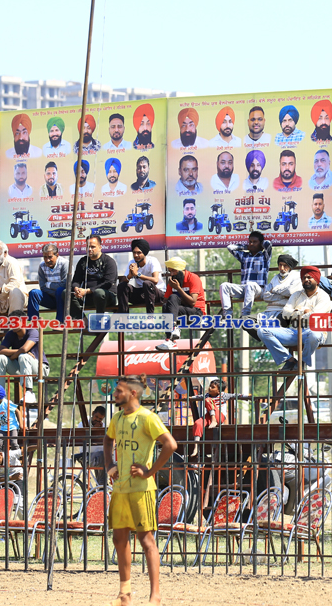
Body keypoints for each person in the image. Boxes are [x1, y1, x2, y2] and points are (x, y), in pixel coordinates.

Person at [104, 376, 178, 606]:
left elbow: (170, 444)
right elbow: (107, 441)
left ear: (133, 393)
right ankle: (124, 594)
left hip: (141, 489)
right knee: (119, 539)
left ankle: (155, 596)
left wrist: (150, 471)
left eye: (119, 391)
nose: (115, 394)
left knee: (146, 540)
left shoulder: (148, 417)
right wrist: (109, 465)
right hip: (120, 489)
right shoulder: (117, 418)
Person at [258, 266, 332, 371]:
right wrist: (303, 312)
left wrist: (296, 314)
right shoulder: (296, 295)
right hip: (295, 332)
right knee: (262, 331)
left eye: (309, 277)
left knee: (314, 334)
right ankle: (289, 360)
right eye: (304, 278)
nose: (306, 280)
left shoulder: (323, 297)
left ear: (316, 279)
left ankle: (303, 362)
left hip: (313, 332)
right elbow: (285, 313)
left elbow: (314, 318)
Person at [0, 311, 47, 402]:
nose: (12, 324)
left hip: (40, 368)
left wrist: (13, 356)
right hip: (21, 368)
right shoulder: (10, 334)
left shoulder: (33, 332)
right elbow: (1, 351)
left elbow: (25, 349)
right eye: (10, 322)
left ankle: (29, 392)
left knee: (23, 356)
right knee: (0, 359)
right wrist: (18, 352)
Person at [156, 258, 207, 351]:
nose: (172, 274)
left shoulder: (193, 278)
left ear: (180, 270)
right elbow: (166, 300)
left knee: (173, 298)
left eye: (174, 271)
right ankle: (170, 339)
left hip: (196, 313)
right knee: (166, 305)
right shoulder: (172, 282)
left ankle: (172, 331)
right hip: (180, 313)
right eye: (170, 271)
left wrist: (178, 289)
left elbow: (192, 302)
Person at [219, 232, 273, 320]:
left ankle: (245, 315)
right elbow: (230, 247)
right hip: (245, 289)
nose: (251, 244)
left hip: (259, 290)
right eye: (250, 242)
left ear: (260, 243)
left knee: (250, 285)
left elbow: (268, 244)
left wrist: (261, 244)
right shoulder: (244, 256)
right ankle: (227, 315)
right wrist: (245, 247)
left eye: (255, 242)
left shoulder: (264, 256)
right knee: (224, 286)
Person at [70, 235, 118, 317]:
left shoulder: (109, 261)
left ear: (100, 247)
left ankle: (99, 320)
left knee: (98, 292)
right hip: (87, 297)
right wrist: (76, 289)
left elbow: (108, 283)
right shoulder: (83, 261)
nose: (89, 249)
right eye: (87, 246)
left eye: (92, 247)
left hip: (106, 297)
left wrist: (87, 291)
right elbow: (76, 281)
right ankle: (82, 320)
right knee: (66, 293)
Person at [117, 239, 162, 314]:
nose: (136, 255)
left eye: (139, 253)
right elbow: (122, 282)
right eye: (134, 253)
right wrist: (130, 275)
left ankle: (150, 317)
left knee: (147, 283)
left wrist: (138, 274)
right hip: (141, 294)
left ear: (144, 253)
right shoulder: (132, 262)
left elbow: (155, 280)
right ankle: (124, 317)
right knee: (122, 286)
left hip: (156, 294)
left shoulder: (152, 261)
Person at [28, 243, 70, 323]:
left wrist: (49, 284)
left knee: (60, 290)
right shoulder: (42, 266)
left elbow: (66, 285)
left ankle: (60, 322)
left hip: (64, 300)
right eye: (45, 257)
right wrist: (55, 289)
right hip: (51, 299)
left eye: (50, 257)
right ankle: (33, 323)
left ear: (57, 255)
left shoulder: (64, 264)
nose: (47, 260)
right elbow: (42, 287)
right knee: (33, 293)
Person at [257, 254, 302, 323]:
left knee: (271, 325)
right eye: (280, 265)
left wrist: (274, 290)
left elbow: (290, 291)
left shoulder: (296, 276)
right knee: (245, 320)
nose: (281, 268)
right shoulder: (275, 278)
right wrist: (283, 296)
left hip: (285, 311)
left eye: (285, 265)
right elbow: (265, 297)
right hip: (269, 311)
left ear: (290, 266)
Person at [0, 384, 21, 452]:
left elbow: (18, 411)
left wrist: (21, 425)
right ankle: (1, 455)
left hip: (13, 427)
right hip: (3, 428)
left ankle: (18, 454)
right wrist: (0, 424)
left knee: (14, 443)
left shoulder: (6, 403)